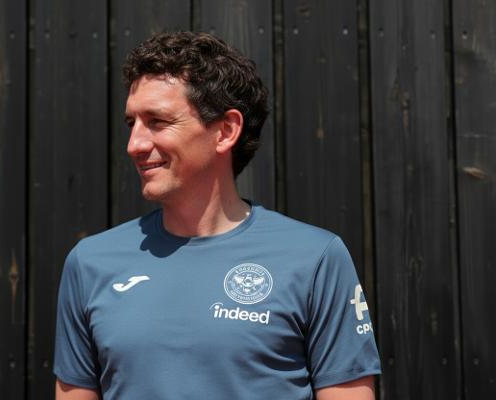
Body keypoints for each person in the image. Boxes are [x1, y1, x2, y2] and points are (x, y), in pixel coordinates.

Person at [53, 31, 381, 400]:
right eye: (132, 123)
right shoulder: (90, 263)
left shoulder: (315, 259)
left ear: (225, 131)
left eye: (157, 121)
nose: (135, 145)